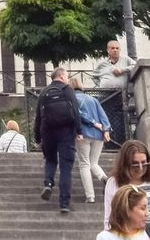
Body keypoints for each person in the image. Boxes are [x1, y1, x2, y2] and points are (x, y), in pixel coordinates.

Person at [33, 66, 81, 215]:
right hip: (66, 131)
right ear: (61, 76)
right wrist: (79, 131)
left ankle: (48, 183)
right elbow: (75, 111)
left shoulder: (44, 92)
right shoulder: (67, 90)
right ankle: (64, 203)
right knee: (66, 167)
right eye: (66, 76)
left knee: (50, 160)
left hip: (47, 131)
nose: (67, 78)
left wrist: (37, 138)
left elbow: (38, 117)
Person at [71, 74, 112, 202]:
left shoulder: (72, 99)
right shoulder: (93, 99)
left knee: (84, 164)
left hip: (82, 133)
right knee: (94, 163)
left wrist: (92, 122)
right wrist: (106, 129)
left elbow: (78, 114)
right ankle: (105, 179)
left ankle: (90, 196)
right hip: (98, 135)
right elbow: (103, 116)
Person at [93, 39, 134, 143]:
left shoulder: (125, 60)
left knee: (120, 119)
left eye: (117, 48)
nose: (115, 50)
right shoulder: (102, 64)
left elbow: (135, 65)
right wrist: (101, 85)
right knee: (106, 118)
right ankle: (108, 142)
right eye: (112, 48)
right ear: (108, 50)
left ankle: (119, 141)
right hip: (106, 95)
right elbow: (94, 76)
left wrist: (122, 70)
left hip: (120, 95)